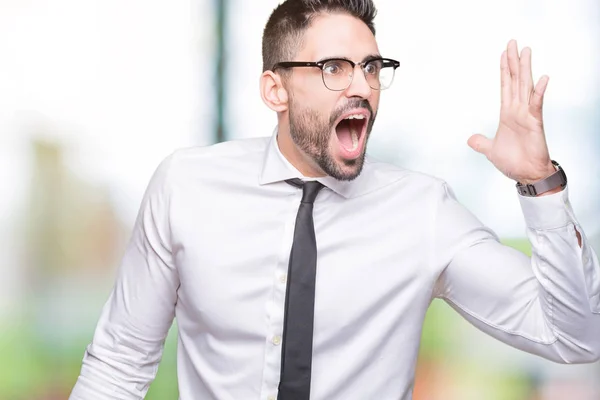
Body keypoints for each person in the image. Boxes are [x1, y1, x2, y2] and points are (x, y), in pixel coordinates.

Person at [69, 0, 600, 399]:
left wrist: (540, 185)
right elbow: (118, 363)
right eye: (334, 68)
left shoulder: (423, 211)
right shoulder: (185, 187)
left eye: (371, 68)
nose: (362, 87)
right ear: (275, 90)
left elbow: (577, 338)